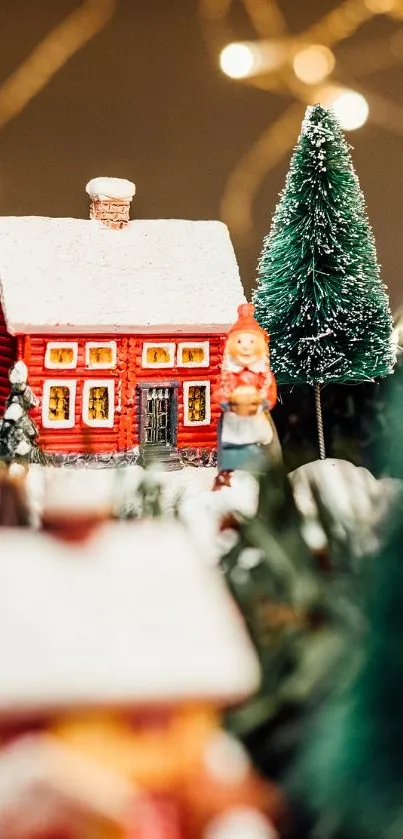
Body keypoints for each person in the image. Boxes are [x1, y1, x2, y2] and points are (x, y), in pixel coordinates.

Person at [214, 303, 280, 487]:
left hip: (256, 414)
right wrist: (228, 403)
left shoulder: (262, 373)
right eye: (240, 342)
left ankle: (268, 474)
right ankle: (227, 474)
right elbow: (219, 392)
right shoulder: (229, 374)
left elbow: (270, 391)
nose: (245, 348)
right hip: (234, 416)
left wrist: (263, 402)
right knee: (230, 446)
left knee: (264, 443)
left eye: (251, 342)